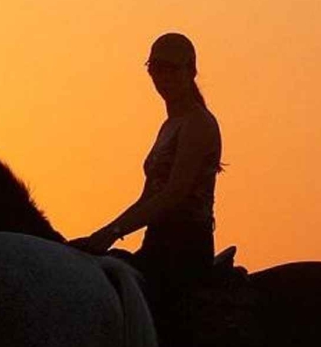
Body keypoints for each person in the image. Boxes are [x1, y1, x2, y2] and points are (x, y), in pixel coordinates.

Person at [70, 32, 222, 296]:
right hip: (157, 242)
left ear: (191, 70)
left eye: (172, 69)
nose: (164, 77)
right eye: (156, 68)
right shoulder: (169, 125)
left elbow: (174, 193)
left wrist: (112, 232)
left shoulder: (199, 124)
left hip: (185, 247)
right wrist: (103, 234)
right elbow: (148, 198)